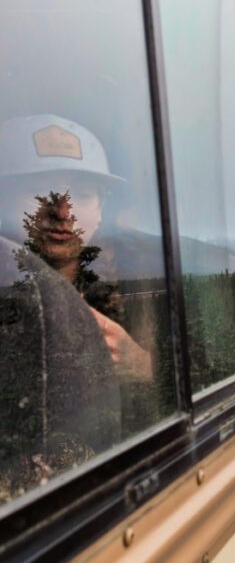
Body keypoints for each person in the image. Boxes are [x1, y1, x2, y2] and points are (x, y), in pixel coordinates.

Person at [0, 114, 152, 380]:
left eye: (82, 195)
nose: (62, 213)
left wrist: (142, 366)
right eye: (40, 193)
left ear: (101, 209)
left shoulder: (141, 286)